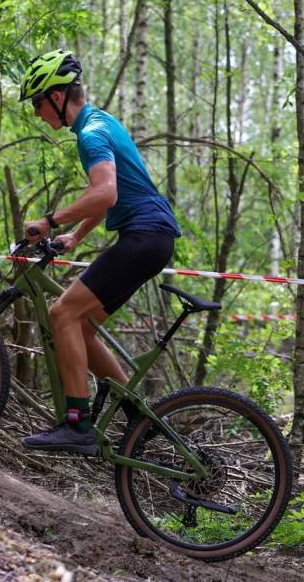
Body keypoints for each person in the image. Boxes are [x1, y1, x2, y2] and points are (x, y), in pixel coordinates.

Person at [17, 49, 181, 455]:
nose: (37, 113)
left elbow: (104, 193)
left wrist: (50, 221)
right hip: (152, 238)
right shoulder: (100, 121)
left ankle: (77, 425)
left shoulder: (90, 135)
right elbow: (112, 194)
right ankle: (139, 417)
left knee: (62, 314)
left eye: (38, 103)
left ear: (57, 97)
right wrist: (75, 236)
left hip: (145, 236)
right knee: (82, 327)